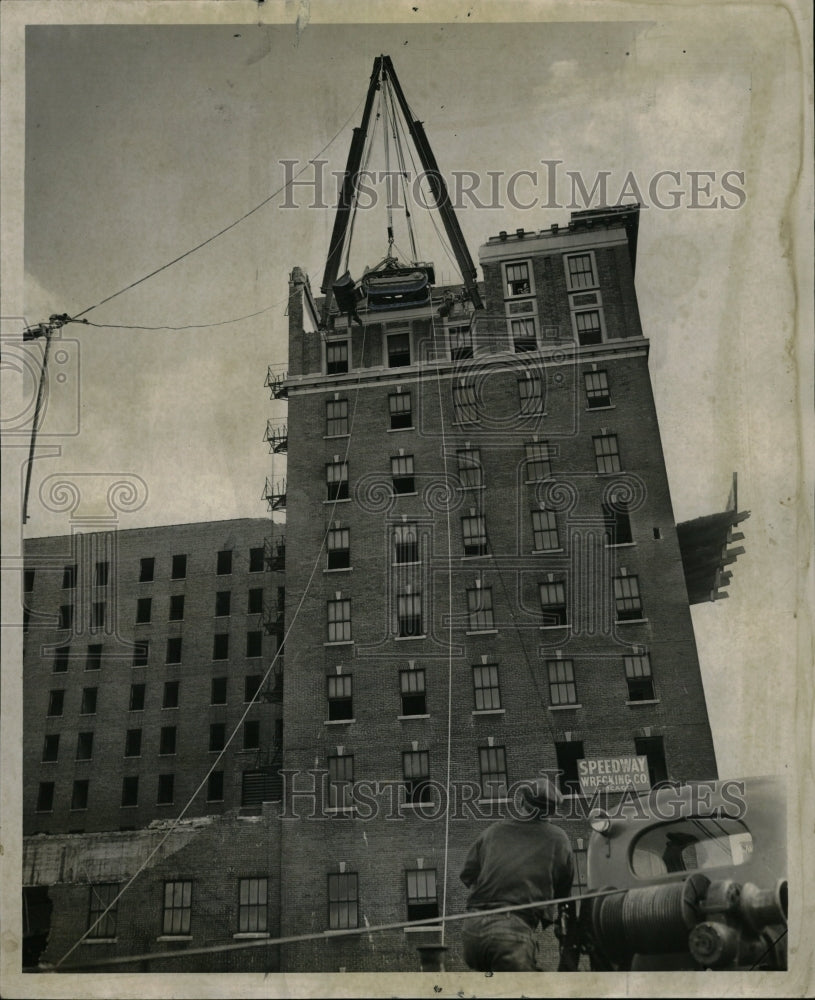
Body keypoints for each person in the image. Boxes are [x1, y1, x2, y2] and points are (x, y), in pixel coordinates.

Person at [459, 775, 575, 972]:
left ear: (521, 802)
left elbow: (468, 875)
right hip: (511, 937)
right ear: (552, 812)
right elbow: (564, 894)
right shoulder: (558, 839)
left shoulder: (493, 832)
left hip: (472, 933)